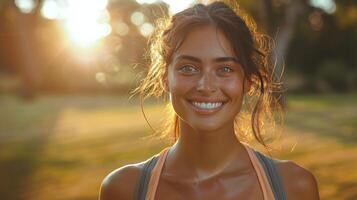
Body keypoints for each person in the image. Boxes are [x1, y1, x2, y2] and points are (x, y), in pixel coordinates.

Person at [99, 1, 319, 199]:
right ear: (165, 78)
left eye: (225, 69)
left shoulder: (294, 187)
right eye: (188, 68)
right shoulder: (123, 189)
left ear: (248, 81)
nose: (205, 85)